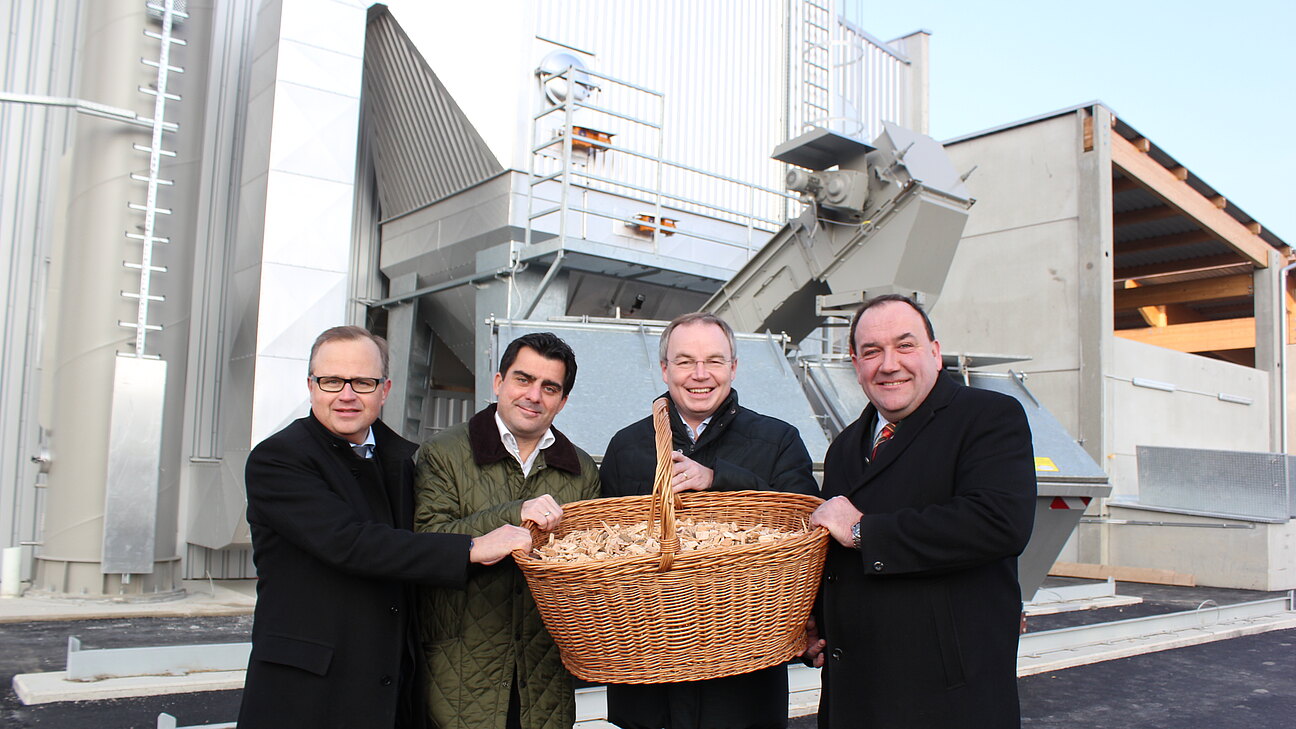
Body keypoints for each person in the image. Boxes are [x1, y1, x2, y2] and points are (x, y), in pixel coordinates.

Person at [238, 326, 532, 729]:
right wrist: (470, 548)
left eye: (363, 382)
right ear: (311, 386)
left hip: (389, 686)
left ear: (385, 390)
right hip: (308, 691)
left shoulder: (406, 460)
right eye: (331, 381)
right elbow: (349, 542)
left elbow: (431, 531)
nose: (346, 395)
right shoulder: (278, 460)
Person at [806, 294, 1036, 728]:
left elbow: (999, 522)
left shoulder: (987, 417)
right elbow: (835, 554)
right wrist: (815, 620)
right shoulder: (845, 447)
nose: (889, 364)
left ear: (934, 351)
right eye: (872, 351)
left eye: (904, 345)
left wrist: (864, 531)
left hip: (947, 700)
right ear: (855, 363)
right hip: (855, 696)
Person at [599, 311, 819, 729]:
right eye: (684, 361)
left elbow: (806, 526)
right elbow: (601, 551)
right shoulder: (626, 447)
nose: (700, 374)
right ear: (664, 369)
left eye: (714, 361)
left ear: (733, 367)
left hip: (743, 691)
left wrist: (720, 481)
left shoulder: (779, 440)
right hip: (648, 688)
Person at [414, 332, 601, 729]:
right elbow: (425, 542)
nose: (534, 396)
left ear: (563, 401)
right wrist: (514, 515)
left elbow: (589, 568)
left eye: (549, 387)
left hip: (544, 677)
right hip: (459, 674)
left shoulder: (582, 471)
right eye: (523, 379)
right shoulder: (442, 453)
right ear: (499, 382)